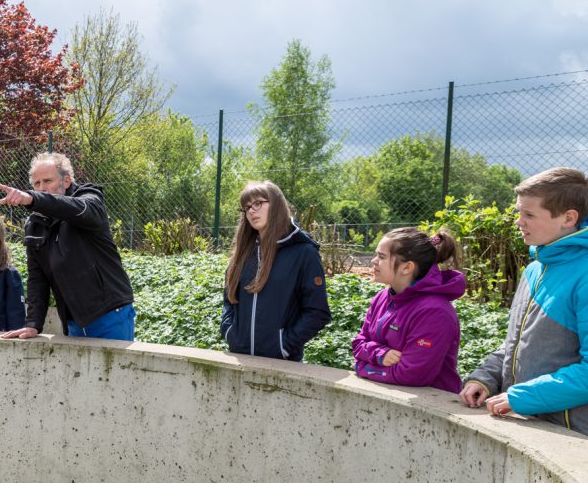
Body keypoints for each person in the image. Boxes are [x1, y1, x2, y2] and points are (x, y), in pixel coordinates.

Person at [461, 167, 588, 432]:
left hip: (571, 436)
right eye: (519, 212)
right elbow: (517, 342)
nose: (519, 221)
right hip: (528, 421)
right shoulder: (534, 269)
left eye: (529, 214)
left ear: (568, 218)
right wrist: (486, 378)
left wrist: (522, 398)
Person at [0, 152, 135, 341]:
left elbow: (75, 209)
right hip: (74, 321)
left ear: (67, 181)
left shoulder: (89, 199)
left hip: (110, 314)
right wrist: (32, 325)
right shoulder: (34, 224)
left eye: (47, 181)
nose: (41, 189)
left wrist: (32, 199)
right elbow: (38, 278)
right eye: (36, 184)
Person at [219, 181, 330, 361]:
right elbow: (229, 300)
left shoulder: (303, 253)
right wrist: (230, 332)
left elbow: (317, 312)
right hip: (240, 359)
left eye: (258, 203)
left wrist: (283, 346)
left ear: (276, 205)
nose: (251, 211)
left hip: (282, 365)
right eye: (246, 207)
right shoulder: (244, 253)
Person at [352, 228, 466, 392]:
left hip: (430, 408)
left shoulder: (434, 313)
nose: (373, 261)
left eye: (382, 257)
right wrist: (379, 353)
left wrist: (362, 367)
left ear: (407, 267)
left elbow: (411, 375)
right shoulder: (382, 297)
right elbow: (358, 343)